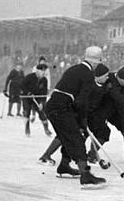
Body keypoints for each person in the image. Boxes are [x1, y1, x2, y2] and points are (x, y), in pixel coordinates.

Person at [44, 46, 106, 188]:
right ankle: (85, 175)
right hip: (61, 107)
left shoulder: (74, 68)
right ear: (96, 62)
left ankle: (64, 166)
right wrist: (83, 120)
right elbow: (82, 100)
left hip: (53, 105)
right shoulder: (89, 74)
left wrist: (78, 119)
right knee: (76, 138)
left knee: (67, 138)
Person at [20, 64, 51, 137]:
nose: (43, 73)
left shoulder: (44, 80)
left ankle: (46, 129)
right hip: (27, 97)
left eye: (44, 71)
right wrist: (28, 93)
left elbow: (44, 93)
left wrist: (41, 103)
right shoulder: (30, 77)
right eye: (41, 71)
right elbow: (22, 85)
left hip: (37, 98)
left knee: (42, 113)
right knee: (27, 112)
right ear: (37, 71)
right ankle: (27, 129)